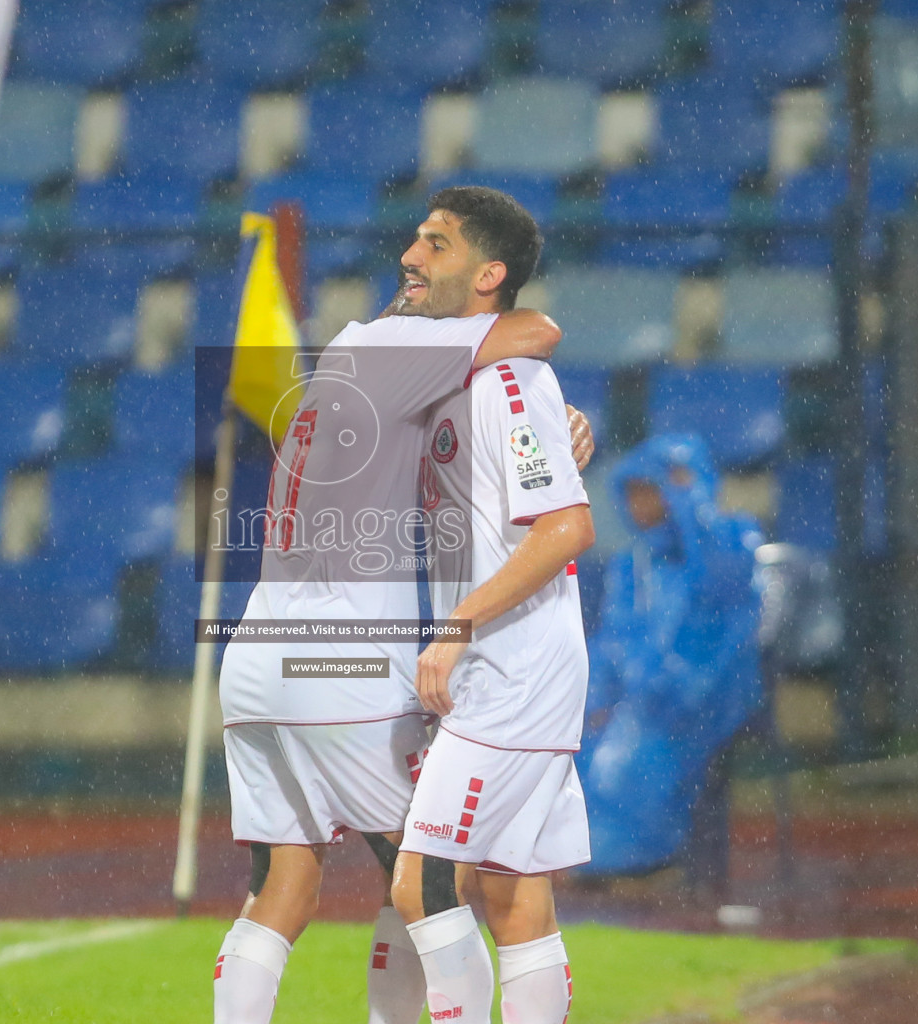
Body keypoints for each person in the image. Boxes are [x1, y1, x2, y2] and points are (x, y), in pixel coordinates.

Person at [212, 186, 590, 1024]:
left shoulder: (355, 355)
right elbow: (538, 331)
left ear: (486, 272)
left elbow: (491, 435)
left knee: (287, 881)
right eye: (414, 243)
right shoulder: (403, 347)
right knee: (428, 879)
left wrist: (552, 430)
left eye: (435, 245)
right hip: (340, 664)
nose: (410, 259)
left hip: (254, 661)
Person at [389, 328, 595, 1020]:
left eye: (435, 244)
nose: (414, 263)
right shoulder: (451, 393)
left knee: (424, 886)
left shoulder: (511, 379)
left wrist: (456, 625)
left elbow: (567, 527)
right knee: (516, 897)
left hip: (514, 676)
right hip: (508, 670)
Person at [574, 434, 763, 893]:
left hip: (710, 692)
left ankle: (641, 862)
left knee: (636, 753)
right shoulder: (632, 562)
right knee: (575, 737)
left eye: (654, 489)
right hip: (640, 698)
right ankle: (597, 860)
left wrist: (691, 502)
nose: (642, 504)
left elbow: (723, 603)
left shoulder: (734, 539)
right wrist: (598, 695)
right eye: (633, 493)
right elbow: (613, 640)